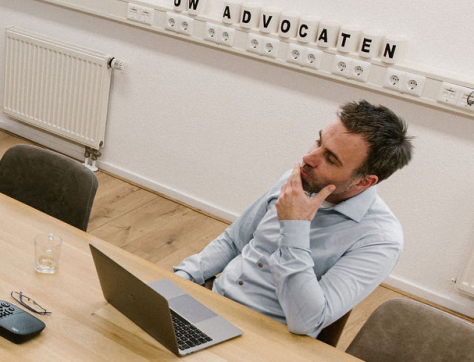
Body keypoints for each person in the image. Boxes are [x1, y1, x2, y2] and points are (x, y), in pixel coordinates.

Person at [174, 100, 413, 337]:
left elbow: (308, 322)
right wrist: (181, 278)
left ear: (364, 181)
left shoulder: (380, 240)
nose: (309, 157)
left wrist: (295, 228)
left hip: (267, 338)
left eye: (331, 158)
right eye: (319, 141)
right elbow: (233, 242)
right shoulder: (297, 178)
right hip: (213, 303)